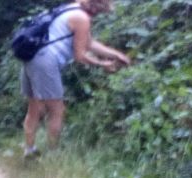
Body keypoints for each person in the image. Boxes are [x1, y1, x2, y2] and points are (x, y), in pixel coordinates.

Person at [21, 0, 131, 157]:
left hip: (32, 56)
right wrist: (102, 64)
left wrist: (116, 55)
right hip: (46, 61)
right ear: (97, 7)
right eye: (102, 11)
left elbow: (89, 43)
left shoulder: (71, 7)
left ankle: (29, 150)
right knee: (57, 111)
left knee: (34, 108)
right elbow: (80, 56)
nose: (100, 14)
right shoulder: (82, 18)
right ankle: (53, 154)